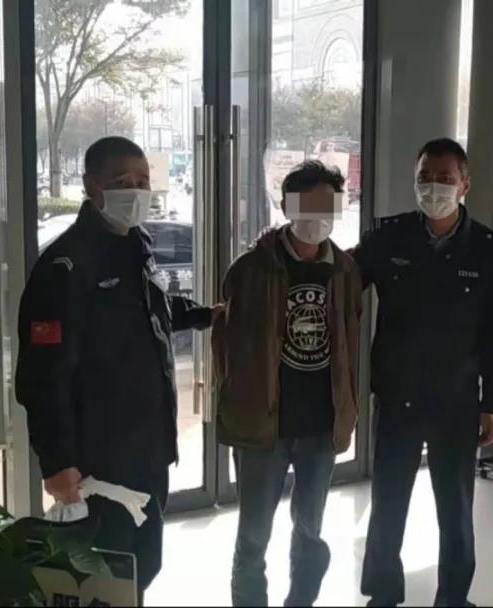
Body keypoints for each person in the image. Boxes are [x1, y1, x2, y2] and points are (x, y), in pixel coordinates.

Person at [15, 136, 219, 603]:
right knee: (104, 576)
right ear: (92, 187)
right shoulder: (66, 266)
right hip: (99, 459)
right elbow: (43, 376)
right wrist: (57, 462)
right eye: (122, 182)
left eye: (143, 181)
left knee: (142, 564)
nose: (137, 191)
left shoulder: (135, 244)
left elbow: (154, 310)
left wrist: (206, 315)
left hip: (148, 447)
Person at [354, 137, 493, 607]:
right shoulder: (389, 238)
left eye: (445, 178)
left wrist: (492, 404)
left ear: (465, 185)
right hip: (398, 394)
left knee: (456, 510)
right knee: (388, 504)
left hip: (456, 400)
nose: (434, 187)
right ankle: (383, 594)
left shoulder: (488, 251)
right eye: (425, 177)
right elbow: (342, 279)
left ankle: (454, 599)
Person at [212, 161, 363, 606]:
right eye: (307, 205)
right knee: (253, 537)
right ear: (286, 206)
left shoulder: (345, 270)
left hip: (320, 423)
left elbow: (349, 342)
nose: (318, 216)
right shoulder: (250, 269)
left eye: (327, 206)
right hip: (263, 426)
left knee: (310, 531)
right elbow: (226, 344)